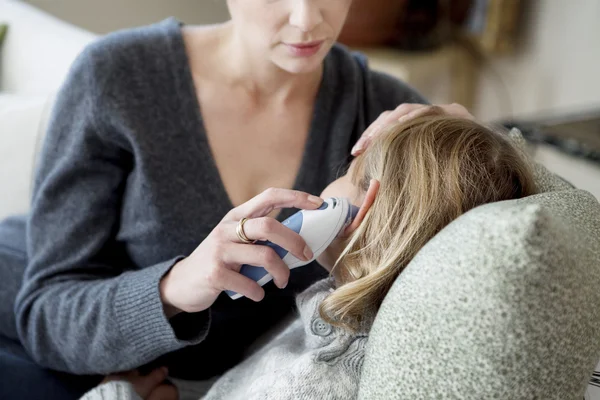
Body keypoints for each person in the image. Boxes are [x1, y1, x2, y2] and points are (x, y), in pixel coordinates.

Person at [0, 0, 431, 399]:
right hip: (32, 337)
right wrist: (178, 286)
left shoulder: (384, 114)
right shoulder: (116, 76)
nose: (306, 20)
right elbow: (46, 312)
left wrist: (474, 134)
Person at [77, 109, 539, 400]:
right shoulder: (347, 319)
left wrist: (114, 394)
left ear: (362, 205)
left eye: (347, 168)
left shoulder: (319, 376)